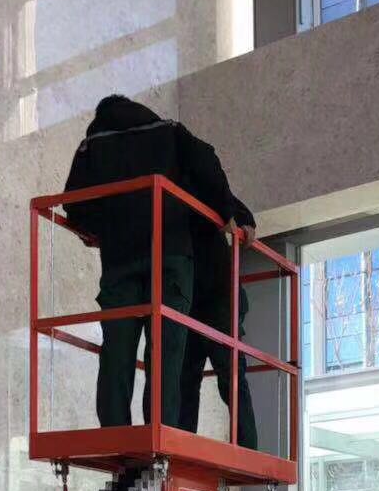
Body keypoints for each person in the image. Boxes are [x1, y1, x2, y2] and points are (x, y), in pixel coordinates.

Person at [62, 95, 251, 429]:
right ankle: (159, 431)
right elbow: (206, 161)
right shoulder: (167, 131)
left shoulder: (92, 145)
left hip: (120, 260)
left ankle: (115, 432)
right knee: (166, 355)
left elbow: (74, 205)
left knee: (117, 350)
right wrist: (228, 214)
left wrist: (102, 230)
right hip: (170, 257)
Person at [178, 195, 259, 449]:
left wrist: (245, 221)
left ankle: (246, 449)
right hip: (191, 302)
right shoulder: (184, 195)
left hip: (215, 299)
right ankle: (181, 446)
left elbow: (229, 199)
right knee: (187, 379)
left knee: (230, 376)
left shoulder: (201, 186)